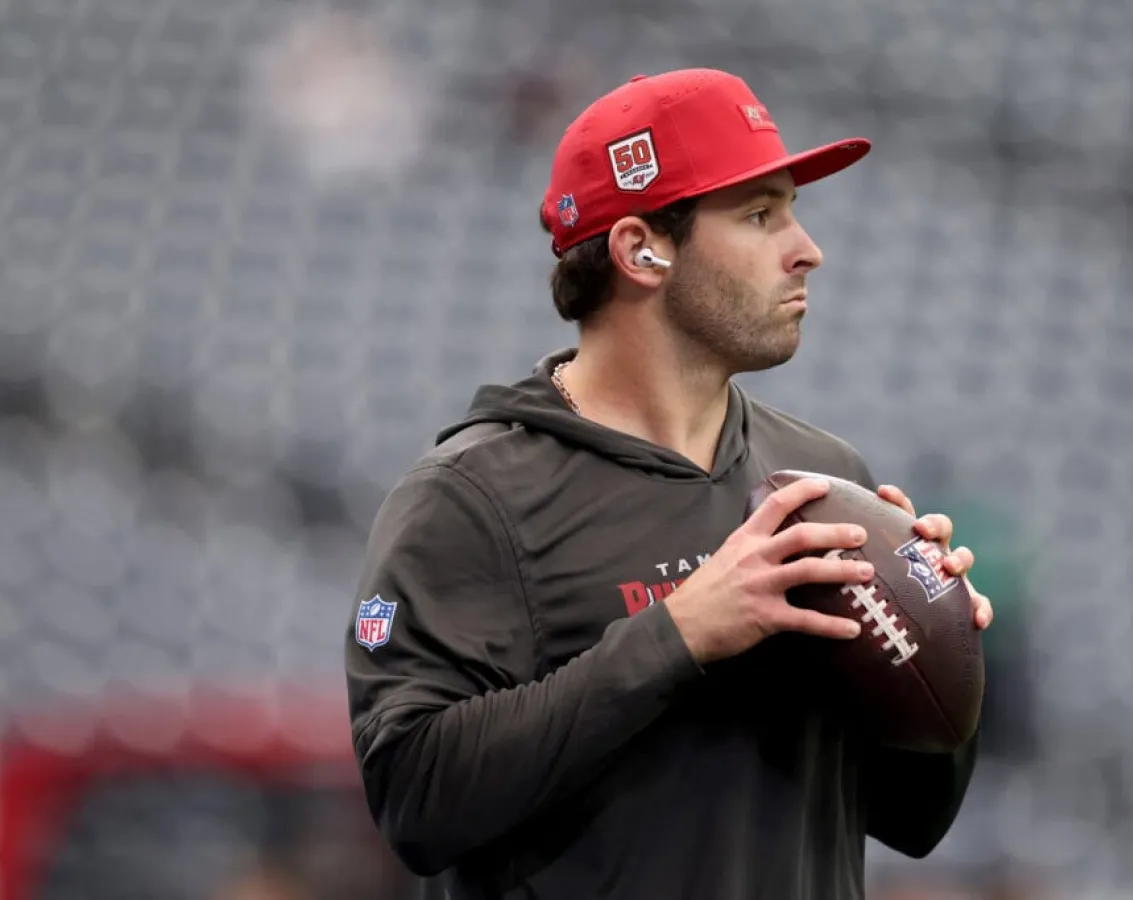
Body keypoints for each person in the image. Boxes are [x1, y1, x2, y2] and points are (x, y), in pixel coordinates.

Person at [344, 68, 995, 900]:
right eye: (761, 215)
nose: (807, 248)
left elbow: (914, 820)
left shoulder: (825, 481)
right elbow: (414, 799)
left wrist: (942, 650)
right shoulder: (471, 499)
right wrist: (679, 633)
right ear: (640, 250)